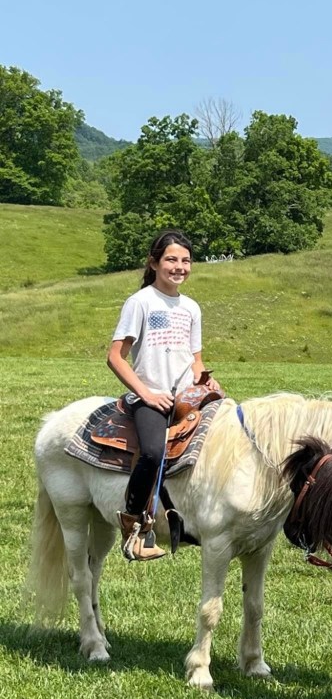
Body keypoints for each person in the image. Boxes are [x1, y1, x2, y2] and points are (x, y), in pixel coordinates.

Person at [107, 230, 221, 561]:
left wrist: (207, 382)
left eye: (186, 260)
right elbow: (115, 357)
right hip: (150, 397)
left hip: (187, 396)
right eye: (171, 259)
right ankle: (133, 523)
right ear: (154, 263)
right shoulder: (140, 302)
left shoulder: (191, 308)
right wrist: (147, 394)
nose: (179, 267)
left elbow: (195, 360)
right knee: (153, 452)